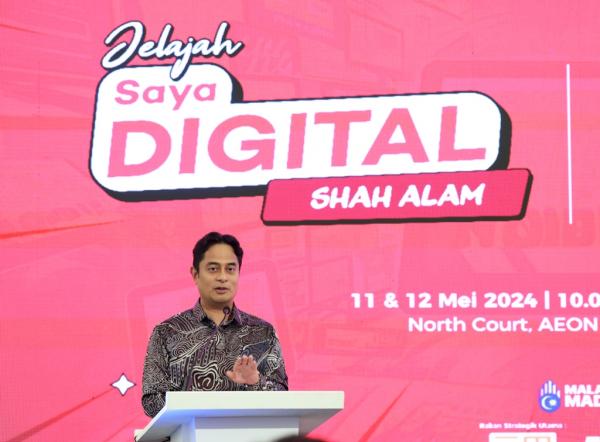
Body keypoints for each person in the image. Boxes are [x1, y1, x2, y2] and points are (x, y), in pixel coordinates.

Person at [141, 232, 288, 417]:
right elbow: (151, 400)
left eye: (230, 269)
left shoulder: (263, 332)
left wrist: (255, 382)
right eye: (213, 269)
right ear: (195, 274)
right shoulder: (167, 332)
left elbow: (282, 395)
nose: (222, 277)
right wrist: (198, 405)